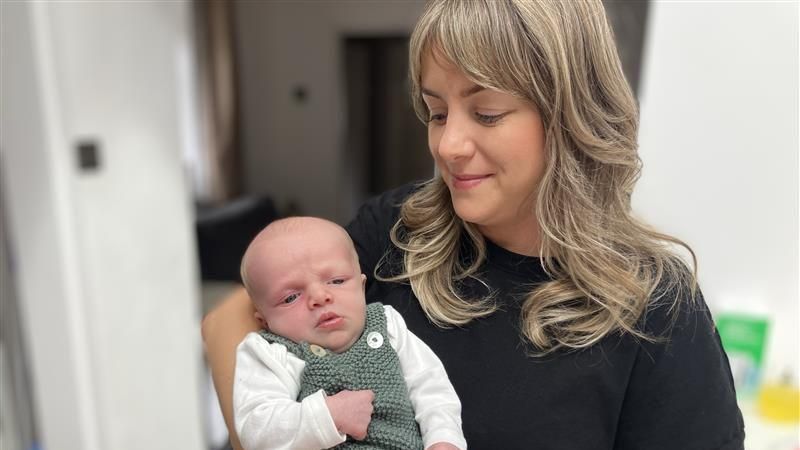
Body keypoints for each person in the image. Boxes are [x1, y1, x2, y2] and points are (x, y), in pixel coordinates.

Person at [202, 1, 745, 449]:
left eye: (486, 114)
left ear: (569, 115)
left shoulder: (656, 307)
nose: (448, 146)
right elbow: (229, 321)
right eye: (437, 113)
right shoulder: (397, 226)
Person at [234, 216, 465, 450]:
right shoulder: (271, 353)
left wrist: (443, 439)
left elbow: (431, 388)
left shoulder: (388, 326)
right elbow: (257, 429)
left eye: (336, 280)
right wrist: (329, 416)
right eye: (291, 297)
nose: (319, 297)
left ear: (362, 287)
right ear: (265, 322)